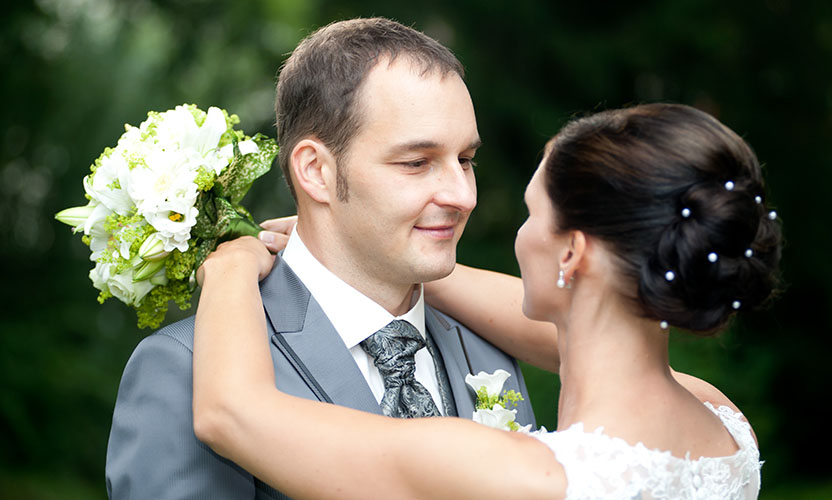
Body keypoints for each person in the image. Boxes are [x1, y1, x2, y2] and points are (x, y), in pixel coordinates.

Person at [192, 103, 782, 499]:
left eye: (532, 216)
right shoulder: (723, 426)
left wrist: (230, 267)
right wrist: (373, 245)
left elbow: (231, 413)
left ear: (571, 255)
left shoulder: (516, 475)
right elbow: (586, 336)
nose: (519, 234)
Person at [105, 18, 536, 499]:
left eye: (466, 160)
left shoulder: (490, 348)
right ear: (316, 171)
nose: (462, 195)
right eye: (416, 163)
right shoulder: (186, 367)